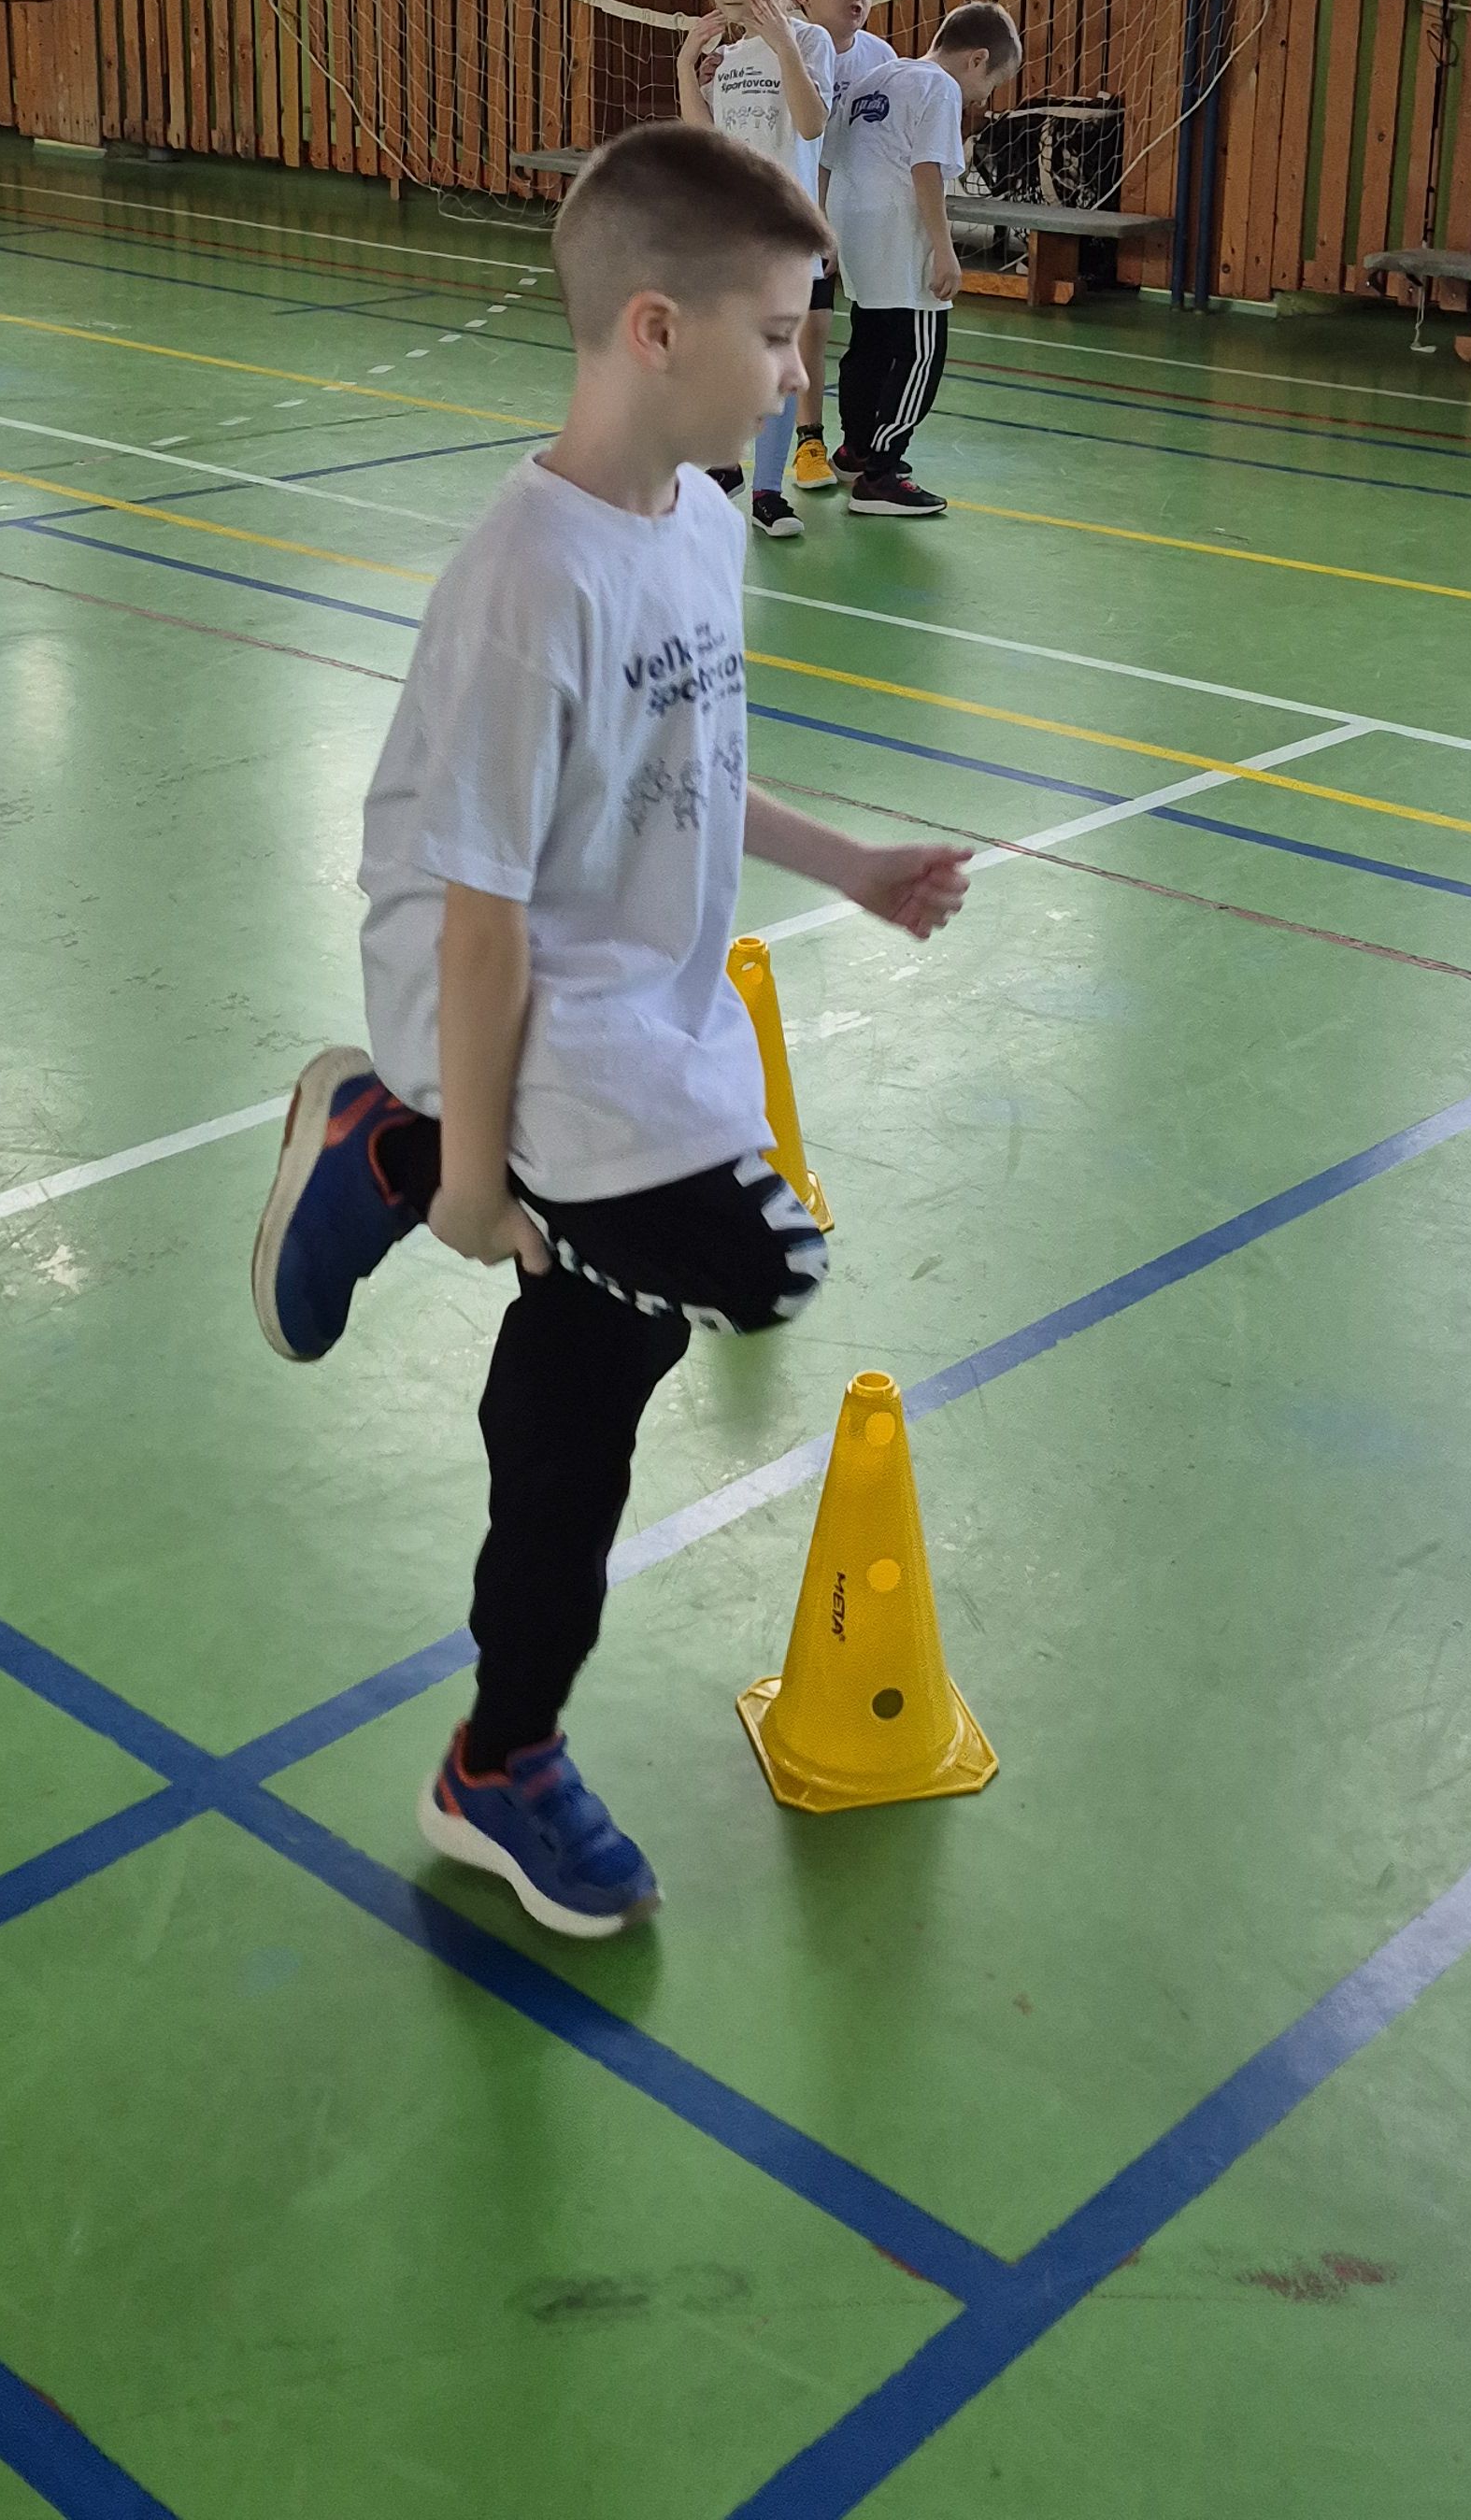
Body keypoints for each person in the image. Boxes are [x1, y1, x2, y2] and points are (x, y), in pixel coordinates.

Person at [250, 122, 971, 1940]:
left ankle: (501, 1756)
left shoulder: (701, 525)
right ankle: (399, 1146)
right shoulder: (529, 579)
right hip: (502, 994)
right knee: (759, 1253)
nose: (800, 372)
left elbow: (696, 767)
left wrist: (853, 866)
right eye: (780, 333)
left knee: (599, 1371)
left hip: (628, 1003)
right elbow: (481, 913)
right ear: (657, 329)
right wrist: (471, 1186)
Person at [827, 0, 1022, 518]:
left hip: (853, 223)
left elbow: (830, 157)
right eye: (993, 84)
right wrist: (943, 248)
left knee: (869, 341)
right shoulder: (941, 88)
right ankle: (882, 474)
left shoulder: (878, 77)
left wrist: (827, 230)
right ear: (977, 59)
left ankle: (855, 449)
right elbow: (926, 170)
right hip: (901, 229)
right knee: (920, 354)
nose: (985, 97)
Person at [676, 0, 833, 542]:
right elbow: (705, 144)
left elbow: (812, 123)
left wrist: (785, 45)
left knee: (778, 362)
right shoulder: (728, 59)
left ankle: (768, 491)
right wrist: (687, 66)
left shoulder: (808, 42)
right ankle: (726, 465)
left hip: (785, 235)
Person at [786, 0, 889, 493]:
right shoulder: (790, 52)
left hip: (864, 211)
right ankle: (809, 441)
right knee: (813, 324)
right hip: (806, 210)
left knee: (878, 330)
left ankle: (863, 443)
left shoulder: (881, 59)